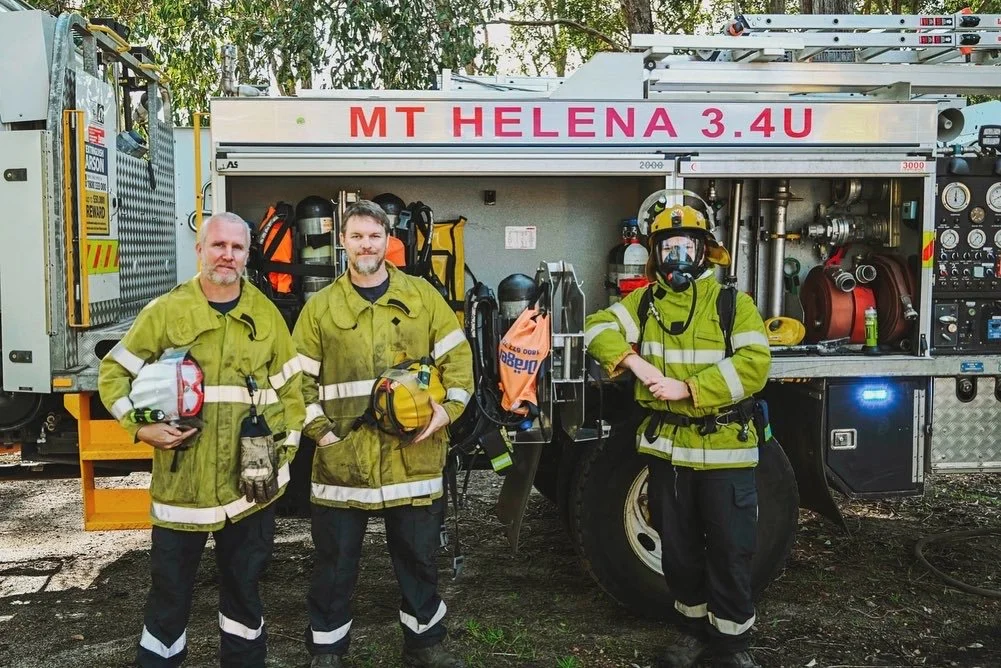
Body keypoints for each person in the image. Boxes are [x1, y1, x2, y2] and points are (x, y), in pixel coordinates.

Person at [98, 212, 306, 667]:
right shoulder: (167, 311)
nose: (227, 255)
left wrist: (279, 452)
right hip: (182, 488)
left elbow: (294, 393)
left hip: (246, 491)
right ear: (200, 250)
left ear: (247, 255)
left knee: (245, 594)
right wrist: (139, 425)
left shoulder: (266, 316)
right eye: (218, 246)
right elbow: (113, 373)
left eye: (237, 248)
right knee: (169, 596)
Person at [584, 190, 771, 668]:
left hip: (727, 450)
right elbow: (596, 329)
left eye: (687, 247)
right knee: (680, 553)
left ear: (704, 250)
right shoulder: (644, 303)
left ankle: (731, 645)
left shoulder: (733, 303)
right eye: (669, 249)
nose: (678, 258)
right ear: (655, 255)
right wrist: (639, 368)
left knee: (731, 551)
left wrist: (687, 388)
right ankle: (690, 631)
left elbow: (754, 365)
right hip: (670, 453)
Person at [293, 200, 474, 668]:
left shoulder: (422, 298)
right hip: (343, 462)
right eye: (356, 236)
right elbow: (297, 383)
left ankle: (426, 644)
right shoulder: (320, 308)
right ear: (343, 242)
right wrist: (322, 435)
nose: (365, 245)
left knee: (418, 559)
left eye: (374, 236)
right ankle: (328, 650)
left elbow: (459, 362)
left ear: (388, 240)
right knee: (334, 565)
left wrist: (446, 412)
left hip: (412, 459)